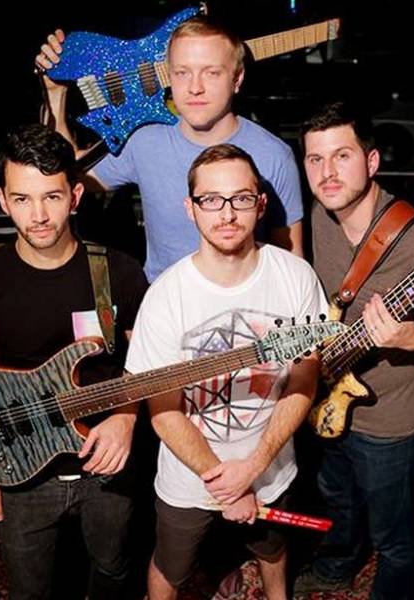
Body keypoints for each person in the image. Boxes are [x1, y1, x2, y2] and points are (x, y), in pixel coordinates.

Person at [293, 101, 414, 599]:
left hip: (391, 424)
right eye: (315, 159)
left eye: (342, 156)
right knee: (338, 501)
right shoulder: (318, 216)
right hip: (327, 397)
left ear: (372, 160)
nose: (327, 172)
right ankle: (337, 566)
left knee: (396, 538)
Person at [0, 124, 149, 599]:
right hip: (20, 464)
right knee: (30, 586)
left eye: (52, 197)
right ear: (2, 199)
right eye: (22, 199)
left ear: (75, 196)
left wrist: (125, 417)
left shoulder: (118, 272)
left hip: (105, 461)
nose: (38, 216)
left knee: (113, 569)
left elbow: (145, 362)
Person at [124, 143, 327, 600]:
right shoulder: (165, 296)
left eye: (240, 198)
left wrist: (254, 467)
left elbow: (304, 378)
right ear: (190, 208)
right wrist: (226, 483)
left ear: (261, 204)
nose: (227, 213)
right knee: (170, 567)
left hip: (270, 468)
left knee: (272, 551)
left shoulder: (296, 277)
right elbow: (163, 411)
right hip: (188, 476)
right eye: (211, 200)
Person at [35, 14, 304, 282]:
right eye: (182, 73)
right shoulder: (145, 141)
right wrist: (56, 95)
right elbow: (64, 176)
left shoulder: (274, 155)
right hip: (164, 302)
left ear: (237, 79)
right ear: (169, 76)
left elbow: (291, 264)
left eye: (211, 73)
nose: (195, 88)